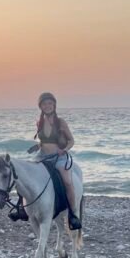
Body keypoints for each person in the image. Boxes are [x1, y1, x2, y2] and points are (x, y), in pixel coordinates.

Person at [32, 91, 81, 229]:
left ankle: (73, 213)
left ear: (54, 105)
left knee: (67, 181)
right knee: (26, 174)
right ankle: (23, 208)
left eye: (50, 103)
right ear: (40, 107)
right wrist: (38, 145)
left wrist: (64, 150)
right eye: (44, 104)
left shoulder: (61, 122)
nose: (47, 106)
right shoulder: (39, 123)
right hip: (42, 156)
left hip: (59, 156)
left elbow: (71, 140)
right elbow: (44, 140)